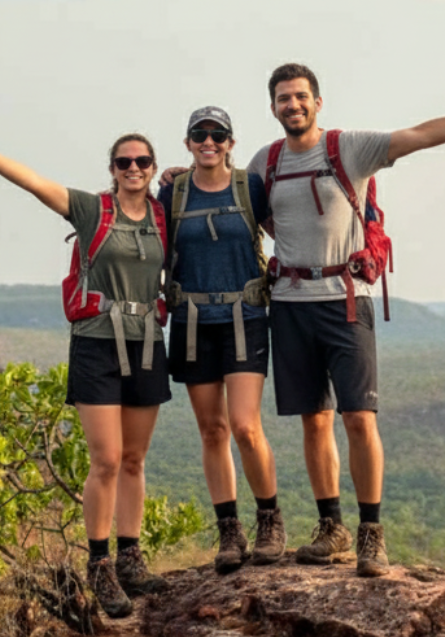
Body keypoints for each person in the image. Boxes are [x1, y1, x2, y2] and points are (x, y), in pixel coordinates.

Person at [245, 65, 445, 578]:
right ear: (272, 107)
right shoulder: (263, 162)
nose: (293, 105)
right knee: (313, 419)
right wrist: (176, 177)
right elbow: (230, 200)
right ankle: (330, 526)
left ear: (318, 101)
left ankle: (370, 533)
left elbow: (420, 135)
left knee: (358, 418)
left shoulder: (348, 148)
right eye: (283, 99)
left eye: (300, 97)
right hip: (289, 302)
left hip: (345, 301)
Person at [0, 120, 172, 619]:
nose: (133, 169)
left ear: (153, 169)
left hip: (147, 342)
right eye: (123, 162)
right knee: (106, 459)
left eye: (142, 162)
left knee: (135, 459)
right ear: (112, 170)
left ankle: (132, 559)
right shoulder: (93, 210)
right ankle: (100, 564)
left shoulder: (163, 215)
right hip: (96, 343)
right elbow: (35, 184)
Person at [156, 106, 285, 574]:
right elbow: (150, 238)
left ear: (231, 142)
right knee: (212, 430)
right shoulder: (173, 192)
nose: (208, 141)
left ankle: (270, 518)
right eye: (199, 134)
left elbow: (285, 228)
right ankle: (229, 530)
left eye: (218, 134)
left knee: (246, 426)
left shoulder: (250, 186)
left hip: (244, 314)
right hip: (192, 319)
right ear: (188, 141)